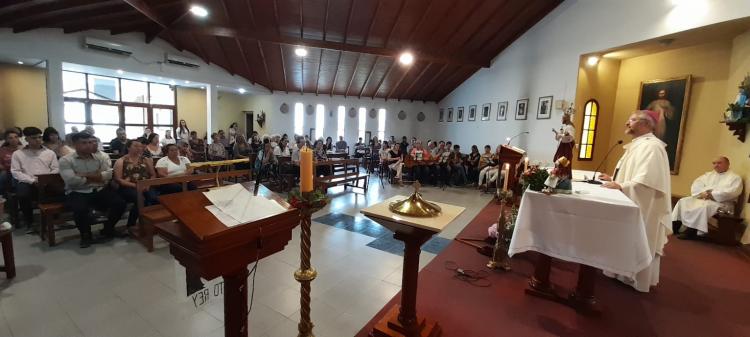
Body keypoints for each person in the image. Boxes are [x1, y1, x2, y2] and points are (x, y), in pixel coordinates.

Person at [598, 110, 671, 293]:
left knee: (641, 236)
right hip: (631, 200)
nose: (626, 123)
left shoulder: (652, 147)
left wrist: (621, 186)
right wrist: (613, 178)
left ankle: (635, 277)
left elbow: (646, 182)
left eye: (632, 120)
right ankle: (621, 271)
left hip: (644, 205)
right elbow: (632, 173)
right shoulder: (639, 144)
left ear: (646, 124)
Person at [59, 132, 127, 248]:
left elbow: (108, 175)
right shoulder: (66, 160)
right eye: (84, 143)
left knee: (120, 203)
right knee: (80, 209)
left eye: (90, 142)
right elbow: (72, 181)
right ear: (75, 144)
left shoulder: (99, 157)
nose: (89, 145)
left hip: (99, 190)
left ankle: (108, 229)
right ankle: (85, 235)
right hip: (77, 191)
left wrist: (84, 175)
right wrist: (97, 177)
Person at [672, 156, 742, 240]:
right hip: (705, 199)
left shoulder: (735, 178)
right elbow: (697, 184)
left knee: (703, 207)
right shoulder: (709, 175)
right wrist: (702, 193)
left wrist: (712, 194)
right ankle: (675, 226)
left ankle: (691, 231)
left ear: (727, 164)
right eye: (714, 163)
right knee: (683, 201)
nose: (716, 165)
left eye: (719, 163)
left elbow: (732, 192)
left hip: (722, 204)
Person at [11, 127, 59, 230]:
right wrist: (32, 181)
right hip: (27, 180)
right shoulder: (18, 154)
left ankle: (52, 217)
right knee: (23, 194)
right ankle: (29, 220)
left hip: (47, 180)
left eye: (39, 137)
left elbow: (55, 168)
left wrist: (47, 179)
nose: (38, 140)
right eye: (34, 138)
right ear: (26, 139)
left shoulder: (49, 153)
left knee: (58, 189)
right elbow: (15, 171)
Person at [113, 139, 157, 228]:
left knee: (154, 198)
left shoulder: (146, 160)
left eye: (140, 146)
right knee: (140, 199)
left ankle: (149, 222)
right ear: (128, 147)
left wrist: (148, 184)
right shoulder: (121, 161)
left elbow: (153, 175)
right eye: (136, 146)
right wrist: (136, 186)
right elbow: (118, 179)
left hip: (145, 185)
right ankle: (131, 225)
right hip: (127, 187)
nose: (139, 148)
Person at [0, 129, 23, 195]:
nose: (14, 139)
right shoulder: (2, 150)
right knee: (3, 175)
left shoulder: (23, 149)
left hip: (20, 170)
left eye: (16, 137)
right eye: (10, 138)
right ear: (7, 140)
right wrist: (6, 169)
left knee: (15, 175)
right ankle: (2, 195)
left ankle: (14, 193)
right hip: (6, 170)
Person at [552, 112, 575, 178]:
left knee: (563, 162)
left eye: (562, 118)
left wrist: (561, 135)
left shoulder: (570, 127)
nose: (561, 120)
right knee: (559, 162)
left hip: (566, 149)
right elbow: (559, 138)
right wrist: (557, 133)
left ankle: (563, 176)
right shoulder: (566, 127)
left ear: (566, 119)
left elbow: (570, 138)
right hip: (562, 147)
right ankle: (559, 175)